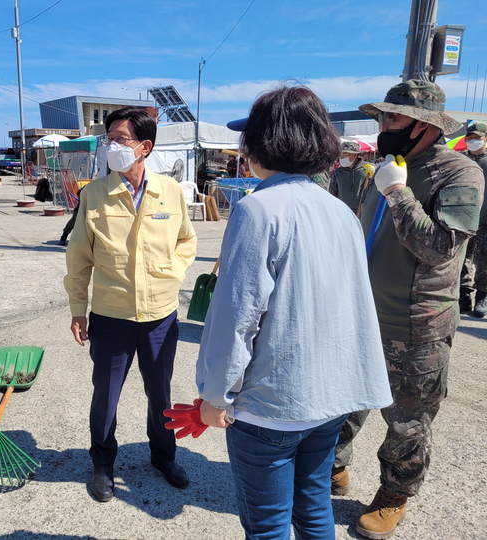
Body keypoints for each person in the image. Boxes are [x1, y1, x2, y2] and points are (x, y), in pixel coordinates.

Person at [186, 86, 393, 539]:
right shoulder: (339, 211)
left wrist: (214, 396)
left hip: (271, 405)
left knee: (267, 525)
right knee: (314, 508)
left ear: (261, 143)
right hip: (329, 397)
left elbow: (236, 316)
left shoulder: (259, 209)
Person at [333, 80, 483, 539]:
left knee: (407, 418)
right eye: (381, 118)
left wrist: (399, 194)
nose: (383, 126)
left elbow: (439, 249)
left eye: (392, 118)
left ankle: (394, 494)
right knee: (345, 401)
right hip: (363, 312)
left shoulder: (460, 174)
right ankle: (333, 467)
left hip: (417, 323)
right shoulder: (385, 167)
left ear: (424, 125)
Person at [64, 106, 197, 503]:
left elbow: (187, 241)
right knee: (105, 396)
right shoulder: (95, 195)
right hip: (111, 316)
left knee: (161, 393)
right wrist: (77, 309)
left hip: (160, 317)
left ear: (145, 147)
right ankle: (102, 464)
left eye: (121, 139)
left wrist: (172, 272)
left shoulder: (170, 192)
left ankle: (164, 456)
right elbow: (78, 259)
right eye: (110, 139)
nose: (112, 146)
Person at [459, 122, 487, 316]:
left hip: (485, 217)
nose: (473, 141)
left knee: (484, 260)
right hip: (463, 217)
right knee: (462, 258)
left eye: (478, 138)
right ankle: (464, 296)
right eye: (470, 138)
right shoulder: (461, 160)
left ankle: (483, 296)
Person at [329, 140, 368, 213]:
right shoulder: (338, 173)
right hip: (342, 212)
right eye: (340, 155)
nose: (341, 157)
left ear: (355, 155)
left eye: (345, 154)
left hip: (362, 212)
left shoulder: (367, 170)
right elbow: (332, 194)